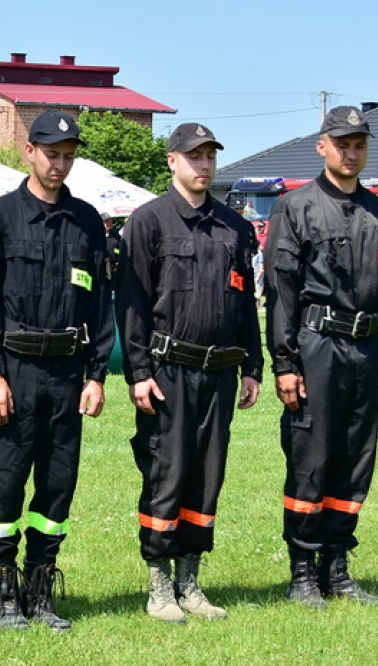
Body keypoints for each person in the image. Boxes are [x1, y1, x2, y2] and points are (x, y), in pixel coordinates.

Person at [0, 110, 113, 632]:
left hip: (69, 375)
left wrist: (97, 374)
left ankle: (41, 586)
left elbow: (101, 305)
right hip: (16, 369)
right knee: (5, 483)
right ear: (29, 151)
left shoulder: (88, 221)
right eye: (52, 153)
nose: (61, 164)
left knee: (57, 486)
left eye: (69, 155)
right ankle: (4, 588)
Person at [116, 122, 262, 623]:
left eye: (210, 156)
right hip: (168, 370)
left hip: (220, 372)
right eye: (194, 155)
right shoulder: (148, 221)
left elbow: (246, 305)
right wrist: (138, 372)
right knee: (166, 472)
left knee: (207, 476)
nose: (203, 164)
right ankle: (158, 582)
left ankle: (190, 580)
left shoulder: (235, 227)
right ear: (171, 160)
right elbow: (131, 304)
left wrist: (253, 366)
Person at [265, 106, 378, 608]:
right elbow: (281, 292)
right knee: (310, 461)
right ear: (323, 146)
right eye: (343, 143)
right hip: (317, 347)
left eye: (359, 143)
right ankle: (302, 571)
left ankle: (336, 566)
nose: (352, 152)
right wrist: (285, 364)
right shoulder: (296, 207)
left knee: (355, 462)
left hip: (367, 350)